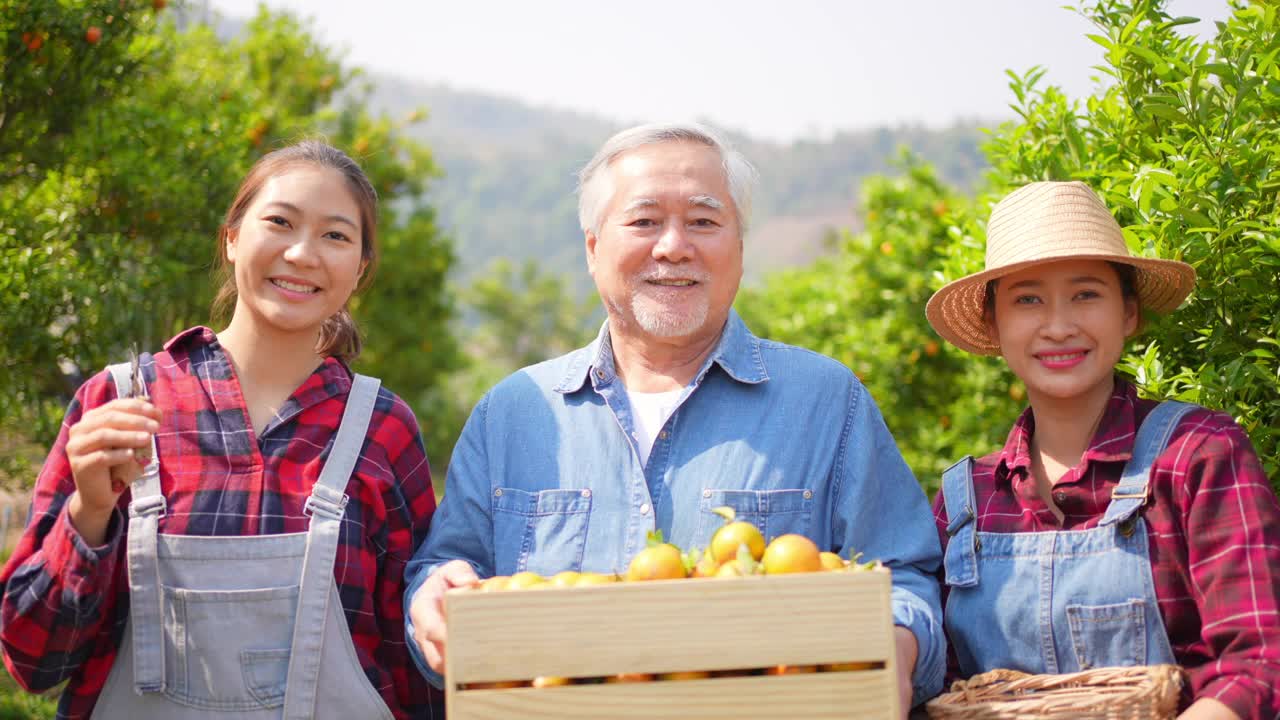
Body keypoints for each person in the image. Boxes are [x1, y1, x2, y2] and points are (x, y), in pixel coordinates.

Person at [404, 122, 946, 713]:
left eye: (704, 221)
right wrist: (432, 599)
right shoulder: (511, 413)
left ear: (739, 248)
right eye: (643, 221)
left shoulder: (826, 401)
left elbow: (904, 575)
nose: (672, 246)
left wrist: (899, 642)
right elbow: (446, 569)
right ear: (592, 249)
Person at [0, 141, 442, 719]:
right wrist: (88, 513)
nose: (303, 253)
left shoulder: (382, 429)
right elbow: (34, 662)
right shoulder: (119, 403)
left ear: (359, 269)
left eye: (336, 236)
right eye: (279, 222)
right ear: (232, 238)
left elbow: (419, 670)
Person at [925, 181, 1280, 719]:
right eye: (1027, 299)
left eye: (1086, 294)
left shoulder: (1196, 458)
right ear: (994, 325)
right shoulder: (964, 503)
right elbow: (934, 685)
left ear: (1129, 313)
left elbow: (1260, 661)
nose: (1059, 325)